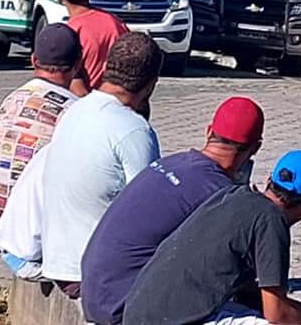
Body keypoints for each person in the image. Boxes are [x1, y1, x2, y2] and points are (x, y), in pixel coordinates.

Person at [82, 96, 265, 325]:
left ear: (208, 132)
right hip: (127, 311)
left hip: (96, 297)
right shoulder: (219, 195)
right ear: (256, 147)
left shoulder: (173, 162)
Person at [123, 151, 301, 325]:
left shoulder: (232, 194)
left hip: (140, 313)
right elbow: (277, 315)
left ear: (269, 181)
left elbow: (249, 295)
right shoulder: (271, 221)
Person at [40, 31, 162, 296]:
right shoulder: (134, 130)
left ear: (106, 68)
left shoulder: (75, 110)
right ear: (151, 85)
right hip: (93, 274)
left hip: (57, 260)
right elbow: (151, 213)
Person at [0, 23, 83, 232]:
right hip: (34, 228)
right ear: (78, 64)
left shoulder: (10, 101)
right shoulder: (74, 111)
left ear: (34, 60)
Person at [55, 0, 128, 94]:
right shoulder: (116, 24)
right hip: (118, 104)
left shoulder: (69, 34)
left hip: (86, 108)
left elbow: (76, 87)